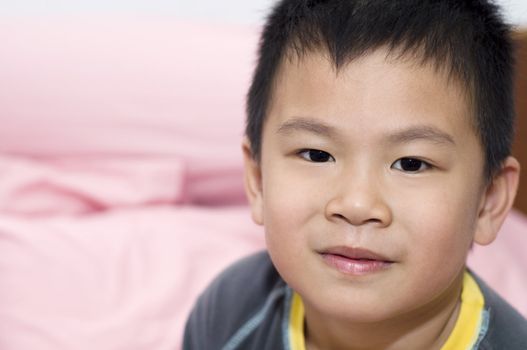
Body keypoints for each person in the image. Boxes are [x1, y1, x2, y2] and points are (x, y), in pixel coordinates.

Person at [183, 0, 527, 349]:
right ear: (258, 181)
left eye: (411, 163)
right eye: (317, 154)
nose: (357, 204)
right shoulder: (229, 313)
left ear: (488, 201)